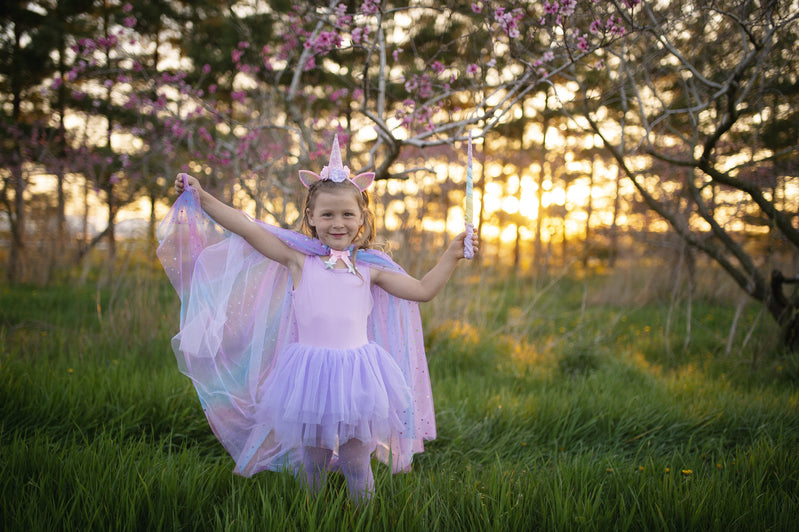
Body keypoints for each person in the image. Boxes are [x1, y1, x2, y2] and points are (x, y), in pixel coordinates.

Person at [157, 135, 478, 502]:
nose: (337, 223)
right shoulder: (298, 260)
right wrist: (202, 196)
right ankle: (312, 515)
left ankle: (366, 518)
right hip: (308, 375)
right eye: (327, 214)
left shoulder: (369, 268)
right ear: (310, 216)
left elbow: (422, 290)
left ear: (361, 218)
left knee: (357, 460)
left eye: (347, 214)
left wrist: (451, 255)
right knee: (314, 460)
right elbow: (245, 226)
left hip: (359, 375)